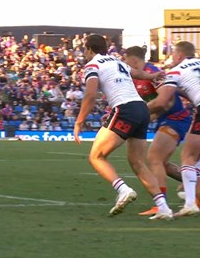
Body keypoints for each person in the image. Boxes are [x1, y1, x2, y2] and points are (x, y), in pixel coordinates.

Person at [73, 35, 173, 220]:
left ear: (88, 49)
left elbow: (90, 94)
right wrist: (152, 76)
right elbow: (137, 73)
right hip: (142, 109)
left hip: (125, 109)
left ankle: (123, 189)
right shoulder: (115, 61)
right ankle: (164, 207)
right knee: (138, 163)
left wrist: (79, 122)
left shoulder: (93, 65)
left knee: (96, 157)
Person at [122, 46, 191, 216]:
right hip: (167, 120)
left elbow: (165, 103)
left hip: (176, 119)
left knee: (154, 157)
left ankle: (161, 204)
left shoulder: (153, 73)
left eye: (126, 60)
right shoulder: (140, 76)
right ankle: (194, 183)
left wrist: (141, 115)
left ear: (132, 59)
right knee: (163, 165)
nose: (125, 64)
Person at [148, 41, 200, 216]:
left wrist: (136, 110)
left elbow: (162, 101)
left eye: (172, 55)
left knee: (188, 156)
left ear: (179, 56)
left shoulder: (177, 71)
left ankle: (190, 204)